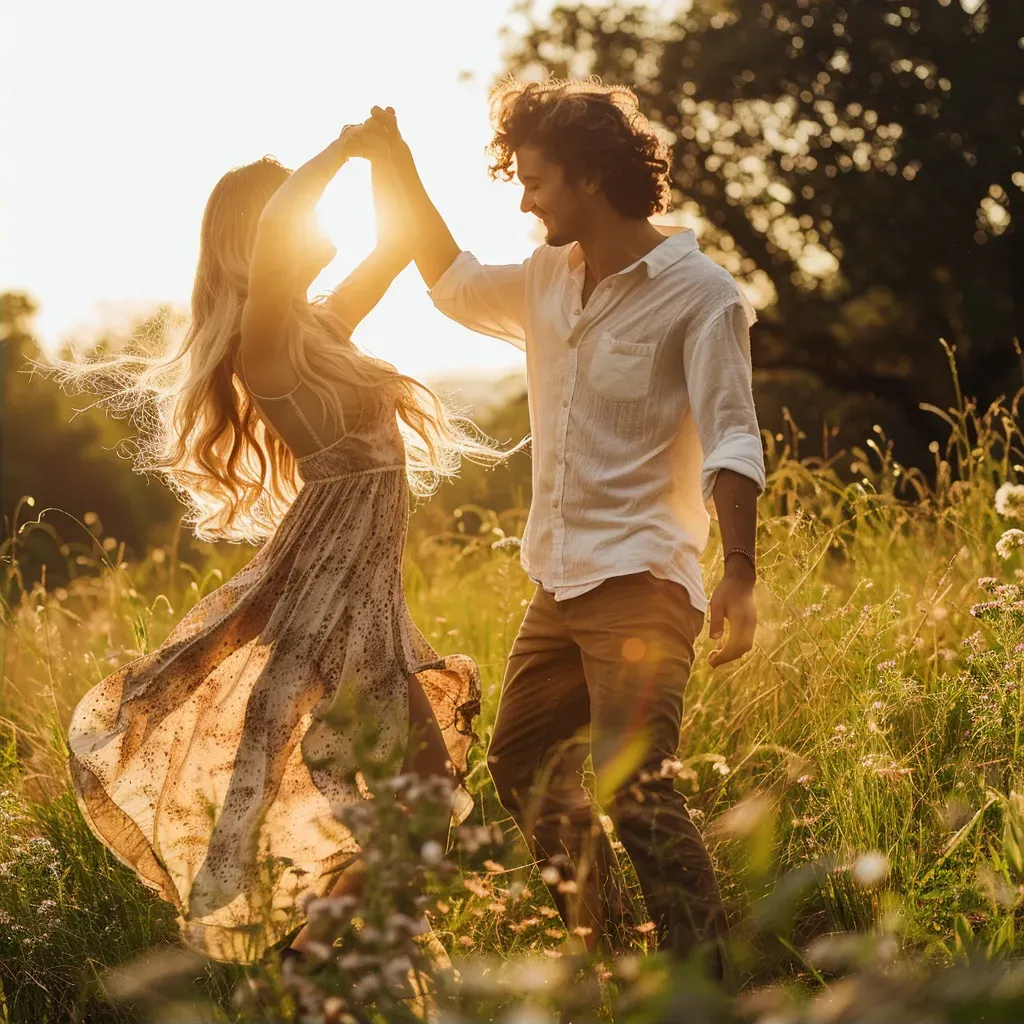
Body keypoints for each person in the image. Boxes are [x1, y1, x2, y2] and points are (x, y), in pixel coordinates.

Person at [60, 121, 497, 964]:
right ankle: (320, 961)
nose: (318, 230)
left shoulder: (323, 328)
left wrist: (390, 157)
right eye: (295, 220)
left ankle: (324, 961)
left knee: (426, 804)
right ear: (259, 242)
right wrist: (332, 153)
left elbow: (402, 240)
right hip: (325, 600)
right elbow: (274, 249)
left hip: (370, 603)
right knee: (422, 800)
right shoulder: (264, 352)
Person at [363, 80, 766, 974]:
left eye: (536, 181)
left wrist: (738, 568)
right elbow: (454, 281)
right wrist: (396, 166)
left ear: (588, 176)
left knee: (638, 790)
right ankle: (615, 951)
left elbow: (733, 434)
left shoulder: (702, 297)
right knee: (522, 764)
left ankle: (707, 988)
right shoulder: (550, 277)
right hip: (558, 584)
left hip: (645, 586)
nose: (524, 199)